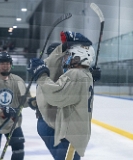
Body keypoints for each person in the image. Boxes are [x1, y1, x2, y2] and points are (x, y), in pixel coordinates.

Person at [27, 31, 97, 160]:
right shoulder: (82, 74)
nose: (65, 59)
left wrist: (41, 76)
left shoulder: (76, 74)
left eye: (69, 55)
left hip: (69, 132)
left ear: (79, 55)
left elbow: (56, 97)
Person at [0, 51, 26, 160]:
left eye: (7, 63)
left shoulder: (18, 81)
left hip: (12, 122)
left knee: (19, 149)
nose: (5, 66)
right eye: (2, 63)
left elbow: (25, 101)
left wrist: (32, 101)